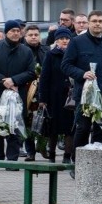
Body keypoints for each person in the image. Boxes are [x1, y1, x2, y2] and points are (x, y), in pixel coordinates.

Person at [62, 10, 102, 176]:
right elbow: (66, 65)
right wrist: (82, 74)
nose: (97, 24)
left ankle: (98, 166)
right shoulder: (77, 42)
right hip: (84, 95)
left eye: (100, 21)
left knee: (101, 129)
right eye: (94, 21)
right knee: (82, 128)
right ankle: (78, 165)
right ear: (88, 23)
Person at [0, 19, 36, 162]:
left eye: (18, 31)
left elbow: (31, 72)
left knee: (14, 126)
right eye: (12, 31)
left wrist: (14, 80)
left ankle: (12, 159)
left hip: (17, 93)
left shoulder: (26, 51)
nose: (15, 33)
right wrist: (3, 80)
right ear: (6, 32)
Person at [38, 27, 76, 163]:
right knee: (53, 128)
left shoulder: (73, 53)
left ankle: (67, 156)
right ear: (56, 40)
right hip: (54, 97)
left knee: (69, 128)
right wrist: (43, 98)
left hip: (70, 97)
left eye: (66, 38)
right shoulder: (51, 54)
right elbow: (44, 77)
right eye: (61, 39)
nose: (64, 41)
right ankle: (52, 155)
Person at [22, 24, 49, 160]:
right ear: (25, 36)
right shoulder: (21, 50)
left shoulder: (46, 50)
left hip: (44, 89)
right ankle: (30, 152)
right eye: (30, 35)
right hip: (27, 90)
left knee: (45, 119)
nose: (33, 37)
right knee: (28, 120)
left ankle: (43, 146)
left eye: (36, 35)